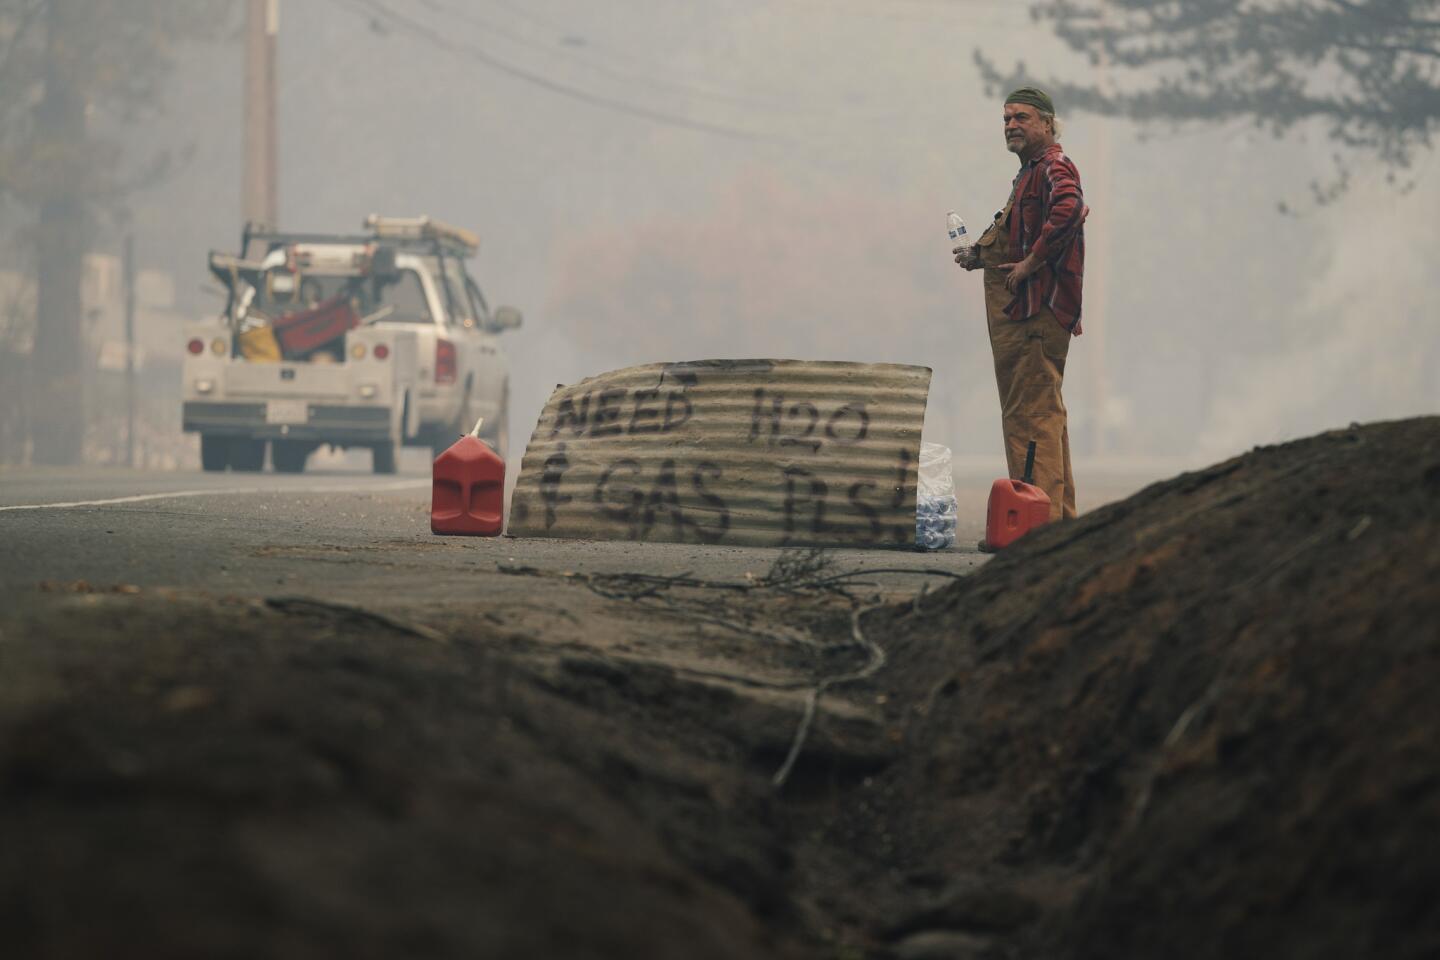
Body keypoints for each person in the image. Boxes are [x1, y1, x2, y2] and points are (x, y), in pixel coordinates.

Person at [956, 86, 1087, 533]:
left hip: (1035, 317)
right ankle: (1058, 525)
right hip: (1025, 318)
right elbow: (1020, 234)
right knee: (1042, 418)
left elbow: (1070, 210)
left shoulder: (1054, 166)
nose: (1011, 125)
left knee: (1031, 420)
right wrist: (980, 256)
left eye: (1022, 118)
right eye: (1006, 118)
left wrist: (1032, 263)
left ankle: (1036, 533)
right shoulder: (1030, 173)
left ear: (1048, 125)